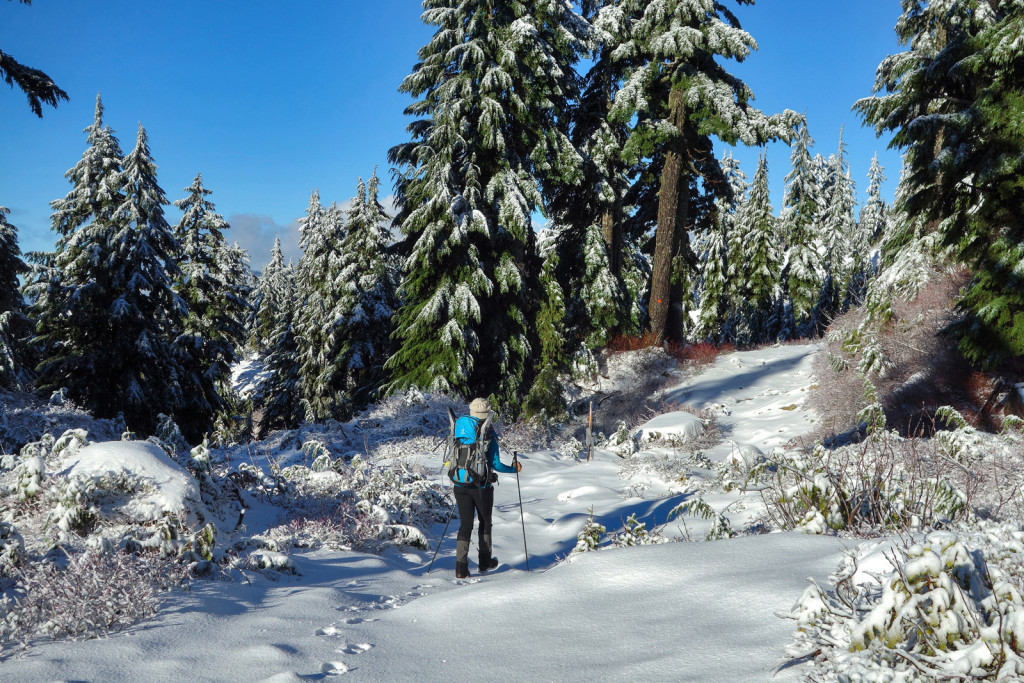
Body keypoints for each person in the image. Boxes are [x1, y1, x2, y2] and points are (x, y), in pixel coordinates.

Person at [452, 397, 521, 579]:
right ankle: (484, 562)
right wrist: (514, 469)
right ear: (488, 413)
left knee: (465, 525)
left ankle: (460, 568)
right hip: (481, 486)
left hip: (459, 484)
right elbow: (496, 464)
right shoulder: (487, 432)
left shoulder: (460, 426)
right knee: (484, 522)